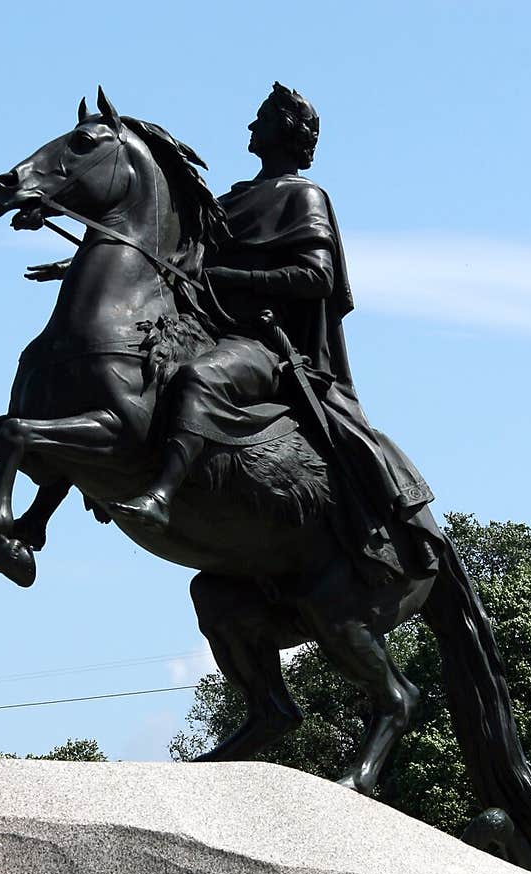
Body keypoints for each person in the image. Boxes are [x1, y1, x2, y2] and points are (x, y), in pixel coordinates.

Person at [109, 82, 438, 583]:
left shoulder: (304, 197)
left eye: (260, 118)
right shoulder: (230, 200)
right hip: (209, 329)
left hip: (266, 345)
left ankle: (161, 495)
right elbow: (177, 259)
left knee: (198, 379)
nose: (250, 126)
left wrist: (233, 278)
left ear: (285, 130)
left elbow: (316, 278)